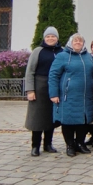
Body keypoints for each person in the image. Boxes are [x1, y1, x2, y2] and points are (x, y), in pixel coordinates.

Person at [49, 33, 93, 157]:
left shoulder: (88, 56)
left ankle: (80, 143)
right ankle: (70, 145)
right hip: (68, 95)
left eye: (80, 41)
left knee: (83, 121)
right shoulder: (62, 56)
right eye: (75, 41)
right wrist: (53, 94)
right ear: (70, 42)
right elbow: (53, 75)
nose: (78, 43)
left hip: (86, 96)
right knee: (68, 120)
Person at [24, 27, 63, 156]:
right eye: (48, 36)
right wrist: (30, 90)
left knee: (51, 118)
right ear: (44, 38)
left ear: (57, 38)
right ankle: (35, 146)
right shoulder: (38, 51)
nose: (50, 39)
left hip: (55, 87)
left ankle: (48, 144)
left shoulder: (61, 52)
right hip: (39, 87)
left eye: (53, 36)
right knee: (37, 118)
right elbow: (30, 71)